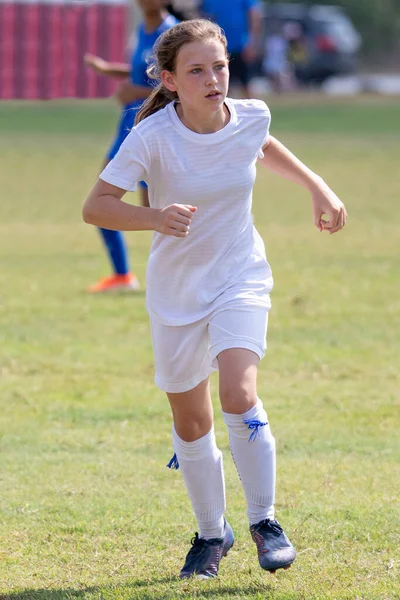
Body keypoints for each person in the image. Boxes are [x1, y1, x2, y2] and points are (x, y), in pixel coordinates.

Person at [82, 19, 347, 579]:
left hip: (240, 275)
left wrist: (317, 186)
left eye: (219, 67)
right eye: (197, 70)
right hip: (177, 290)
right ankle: (211, 534)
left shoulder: (252, 115)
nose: (213, 79)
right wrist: (153, 216)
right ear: (171, 80)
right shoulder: (151, 136)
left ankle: (265, 521)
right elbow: (97, 205)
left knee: (238, 391)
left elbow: (261, 144)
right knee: (191, 421)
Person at [84, 0, 178, 293]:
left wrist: (133, 92)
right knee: (106, 198)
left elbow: (175, 83)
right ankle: (123, 275)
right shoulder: (143, 28)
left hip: (153, 124)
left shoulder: (171, 32)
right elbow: (144, 71)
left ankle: (171, 276)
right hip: (130, 125)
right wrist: (108, 70)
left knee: (153, 206)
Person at [200, 0, 263, 98]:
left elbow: (254, 17)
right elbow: (205, 20)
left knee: (246, 84)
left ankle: (253, 112)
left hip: (241, 47)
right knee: (220, 84)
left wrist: (252, 44)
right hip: (218, 48)